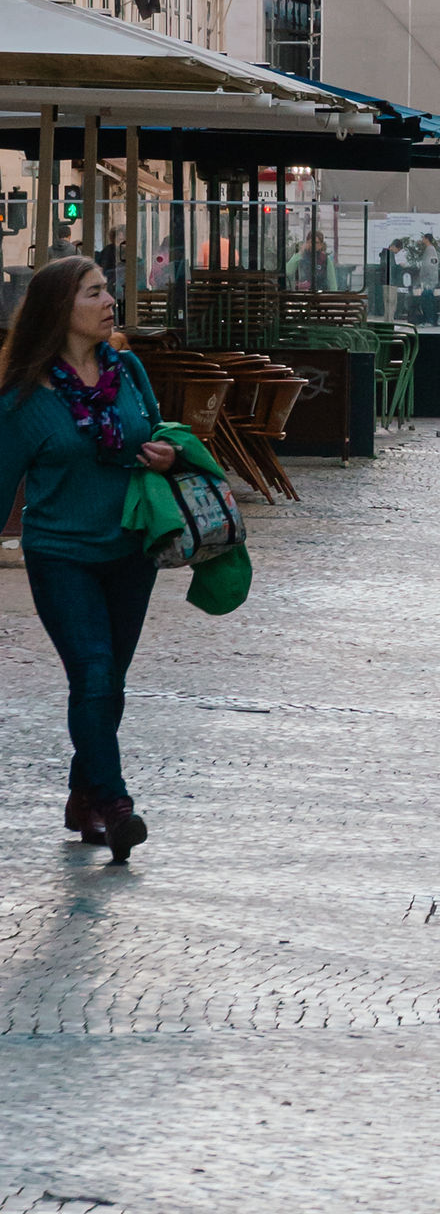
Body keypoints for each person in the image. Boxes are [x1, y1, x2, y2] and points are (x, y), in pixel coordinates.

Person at [0, 257, 180, 862]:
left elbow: (158, 432)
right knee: (95, 674)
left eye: (107, 291)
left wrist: (166, 454)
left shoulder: (127, 370)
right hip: (60, 555)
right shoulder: (22, 398)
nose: (110, 302)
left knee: (108, 683)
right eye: (95, 293)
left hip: (131, 550)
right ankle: (115, 803)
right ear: (60, 309)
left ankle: (83, 798)